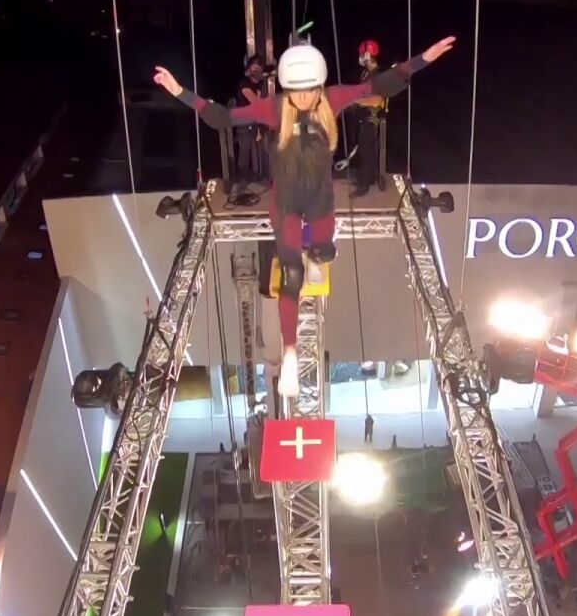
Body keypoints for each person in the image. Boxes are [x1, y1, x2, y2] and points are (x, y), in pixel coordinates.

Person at [154, 35, 456, 397]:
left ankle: (320, 249)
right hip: (286, 205)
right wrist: (179, 92)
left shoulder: (332, 99)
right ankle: (290, 354)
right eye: (295, 92)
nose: (302, 98)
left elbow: (378, 86)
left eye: (309, 90)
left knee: (325, 251)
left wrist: (422, 59)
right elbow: (222, 117)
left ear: (318, 85)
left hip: (320, 202)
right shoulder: (274, 108)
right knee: (292, 274)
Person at [351, 39, 385, 195]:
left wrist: (357, 100)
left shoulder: (377, 76)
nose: (360, 57)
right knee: (364, 150)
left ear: (367, 55)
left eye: (362, 54)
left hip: (371, 119)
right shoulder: (367, 73)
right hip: (363, 117)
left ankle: (363, 185)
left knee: (366, 151)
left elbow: (378, 100)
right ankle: (367, 178)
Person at [233, 54, 268, 184]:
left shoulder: (258, 84)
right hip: (244, 123)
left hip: (254, 122)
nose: (257, 69)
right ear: (248, 70)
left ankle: (259, 176)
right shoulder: (245, 84)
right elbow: (255, 102)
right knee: (245, 151)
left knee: (260, 148)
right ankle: (242, 181)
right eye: (254, 67)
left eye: (259, 67)